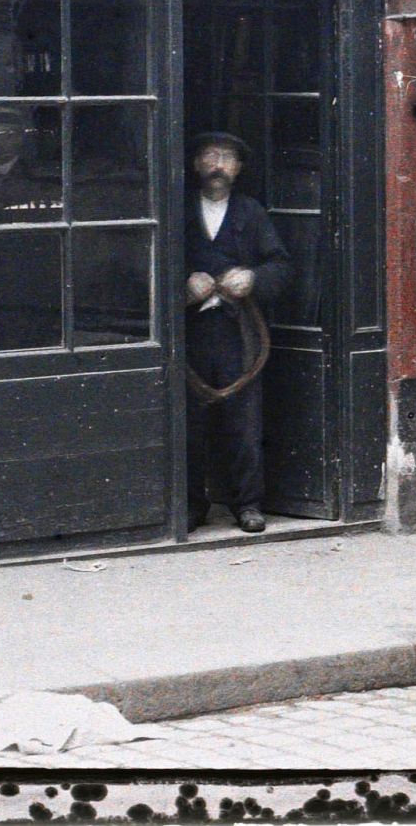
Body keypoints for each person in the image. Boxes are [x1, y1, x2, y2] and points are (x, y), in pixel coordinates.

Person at [184, 130, 291, 534]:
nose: (218, 166)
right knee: (189, 421)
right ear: (197, 165)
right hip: (189, 330)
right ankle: (194, 506)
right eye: (210, 156)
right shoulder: (177, 209)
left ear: (239, 168)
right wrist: (183, 283)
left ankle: (247, 503)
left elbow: (281, 266)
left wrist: (253, 277)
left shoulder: (251, 212)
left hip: (238, 332)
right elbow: (144, 264)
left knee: (243, 422)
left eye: (227, 158)